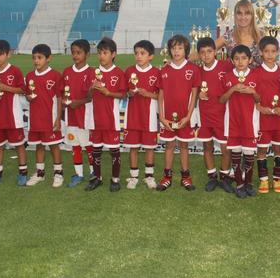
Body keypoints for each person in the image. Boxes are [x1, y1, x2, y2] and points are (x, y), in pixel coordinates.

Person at [157, 35, 200, 191]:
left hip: (184, 117)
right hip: (167, 117)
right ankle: (167, 176)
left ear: (186, 50)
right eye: (173, 48)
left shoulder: (193, 69)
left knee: (183, 146)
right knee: (169, 146)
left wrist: (188, 116)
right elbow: (160, 95)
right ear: (169, 50)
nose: (176, 51)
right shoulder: (164, 70)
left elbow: (194, 95)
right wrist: (161, 117)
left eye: (180, 48)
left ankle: (185, 176)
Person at [85, 37, 127, 192]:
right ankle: (97, 178)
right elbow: (88, 97)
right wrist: (91, 89)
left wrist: (108, 92)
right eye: (99, 53)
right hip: (94, 120)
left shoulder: (119, 73)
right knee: (96, 150)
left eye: (105, 53)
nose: (101, 56)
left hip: (111, 120)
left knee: (114, 151)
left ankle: (115, 179)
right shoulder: (92, 73)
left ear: (113, 54)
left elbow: (123, 95)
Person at [0, 40, 28, 187]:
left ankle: (23, 173)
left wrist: (5, 87)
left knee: (19, 145)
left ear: (8, 54)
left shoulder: (15, 71)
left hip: (13, 117)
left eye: (1, 54)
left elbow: (22, 90)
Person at [220, 45, 261, 199]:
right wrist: (232, 89)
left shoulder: (256, 76)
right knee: (236, 154)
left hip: (250, 122)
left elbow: (260, 99)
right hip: (232, 123)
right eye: (236, 58)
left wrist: (253, 92)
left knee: (249, 154)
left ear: (250, 59)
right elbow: (221, 99)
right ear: (232, 60)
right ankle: (239, 184)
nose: (240, 61)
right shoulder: (228, 77)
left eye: (244, 58)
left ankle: (248, 183)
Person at [195, 37, 234, 193]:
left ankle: (224, 177)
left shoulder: (226, 66)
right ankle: (212, 176)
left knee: (226, 149)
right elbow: (191, 89)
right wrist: (198, 93)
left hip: (222, 115)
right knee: (207, 147)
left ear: (215, 51)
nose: (206, 55)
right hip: (205, 116)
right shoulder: (198, 71)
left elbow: (241, 68)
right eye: (202, 52)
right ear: (198, 55)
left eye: (209, 51)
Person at [25, 44, 64, 188]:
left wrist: (58, 118)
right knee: (39, 146)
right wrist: (29, 97)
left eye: (39, 57)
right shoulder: (29, 76)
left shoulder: (55, 75)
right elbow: (28, 94)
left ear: (48, 58)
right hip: (35, 119)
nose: (36, 61)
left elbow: (59, 98)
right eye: (34, 58)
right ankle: (40, 173)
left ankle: (58, 173)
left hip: (50, 119)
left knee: (54, 146)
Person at [124, 40, 161, 190]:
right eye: (136, 53)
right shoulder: (129, 71)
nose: (138, 56)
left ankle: (149, 176)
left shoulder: (156, 73)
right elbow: (123, 93)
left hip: (149, 117)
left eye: (142, 53)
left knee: (149, 148)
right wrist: (130, 93)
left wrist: (148, 94)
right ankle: (133, 177)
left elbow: (161, 96)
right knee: (133, 147)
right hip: (132, 116)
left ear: (151, 56)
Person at [253, 36, 280, 194]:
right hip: (262, 118)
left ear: (278, 53)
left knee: (278, 148)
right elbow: (252, 95)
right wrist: (258, 107)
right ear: (261, 53)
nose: (270, 54)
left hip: (278, 118)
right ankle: (263, 180)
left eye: (273, 51)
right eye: (266, 51)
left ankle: (277, 179)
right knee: (261, 149)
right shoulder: (255, 73)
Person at [62, 39, 95, 188]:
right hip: (71, 116)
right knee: (75, 145)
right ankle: (79, 174)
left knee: (88, 146)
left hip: (86, 117)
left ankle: (94, 172)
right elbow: (64, 93)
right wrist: (64, 101)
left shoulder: (92, 72)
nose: (75, 55)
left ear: (87, 54)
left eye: (79, 52)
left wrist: (78, 102)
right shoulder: (67, 71)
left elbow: (91, 97)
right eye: (73, 52)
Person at [214, 0, 264, 67]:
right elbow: (207, 50)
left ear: (252, 16)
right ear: (235, 15)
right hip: (234, 77)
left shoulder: (262, 35)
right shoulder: (228, 36)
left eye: (247, 13)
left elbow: (274, 56)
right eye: (239, 13)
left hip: (258, 77)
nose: (243, 17)